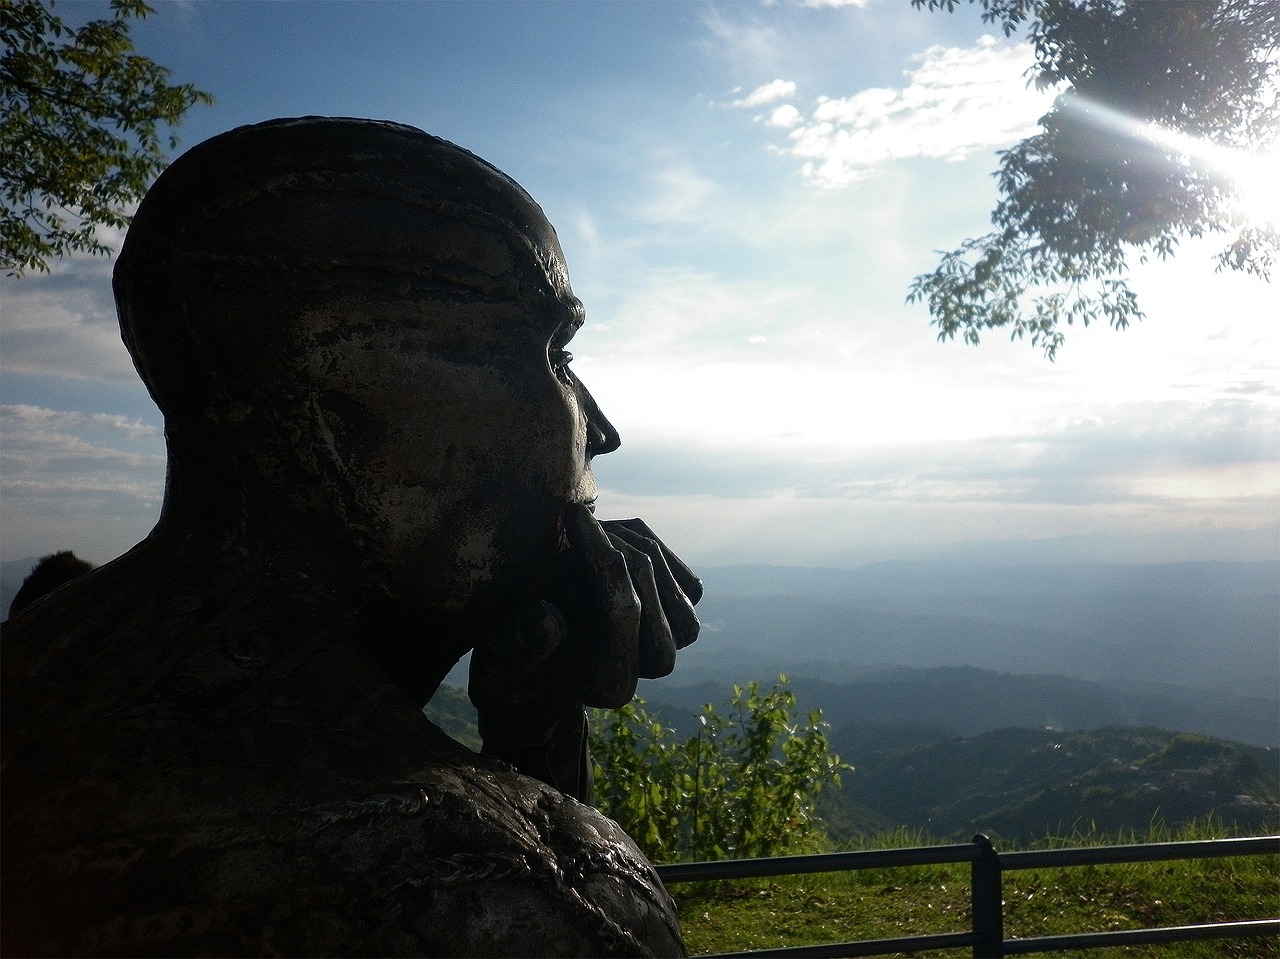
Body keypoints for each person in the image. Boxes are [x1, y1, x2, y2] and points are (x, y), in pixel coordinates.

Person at [0, 117, 700, 957]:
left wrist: (530, 717)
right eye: (553, 353)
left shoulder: (38, 674)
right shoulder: (500, 890)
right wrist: (558, 827)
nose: (605, 429)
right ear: (342, 425)